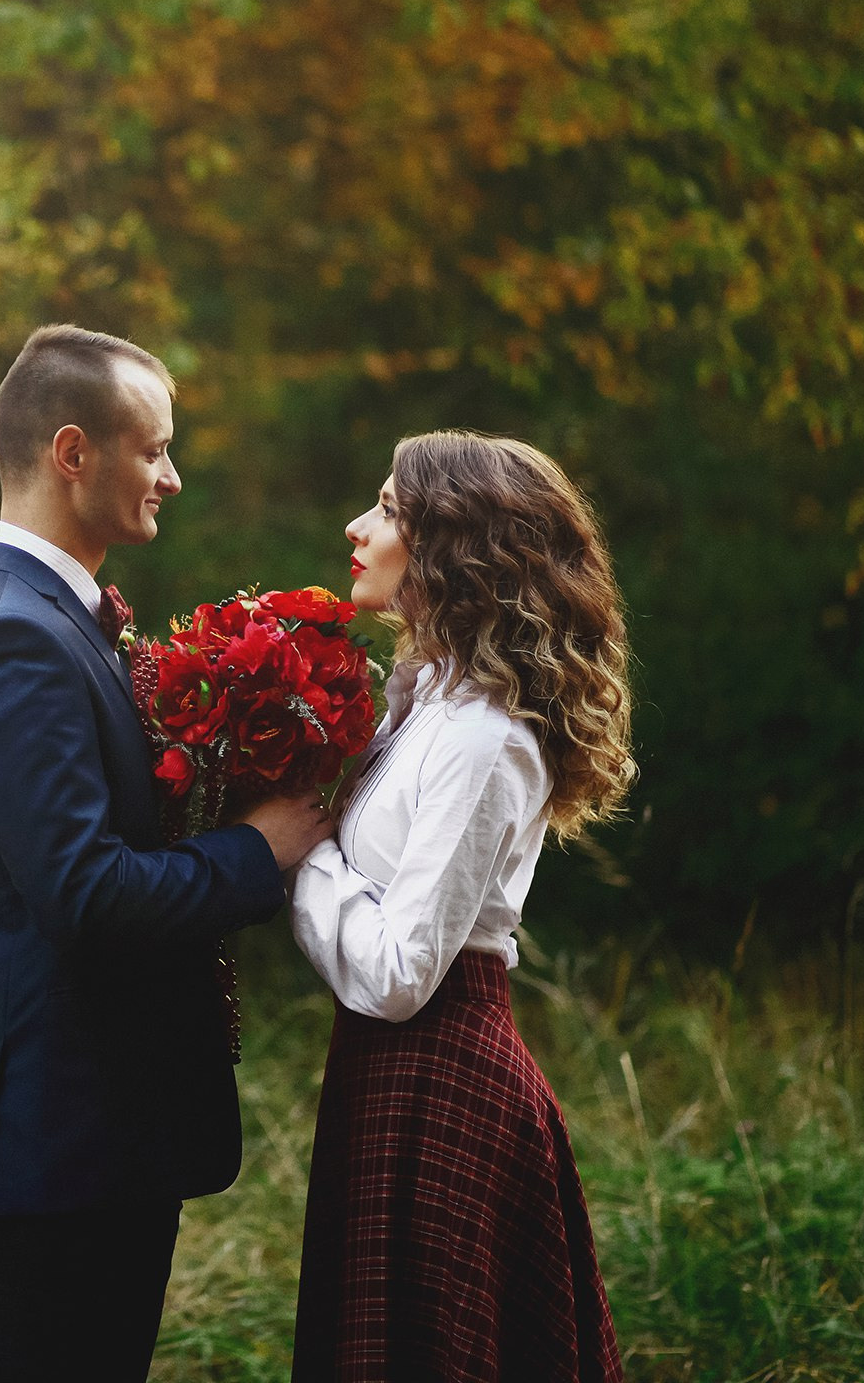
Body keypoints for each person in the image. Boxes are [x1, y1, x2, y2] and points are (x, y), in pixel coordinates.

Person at [0, 324, 332, 1383]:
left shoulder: (58, 620)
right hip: (73, 1130)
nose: (172, 476)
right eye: (153, 449)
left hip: (103, 1128)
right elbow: (86, 894)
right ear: (74, 452)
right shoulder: (15, 636)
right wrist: (257, 850)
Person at [291, 430, 634, 1382]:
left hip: (443, 1075)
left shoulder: (485, 738)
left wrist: (297, 853)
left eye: (386, 510)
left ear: (453, 546)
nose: (356, 527)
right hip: (388, 1069)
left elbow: (400, 973)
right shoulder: (422, 706)